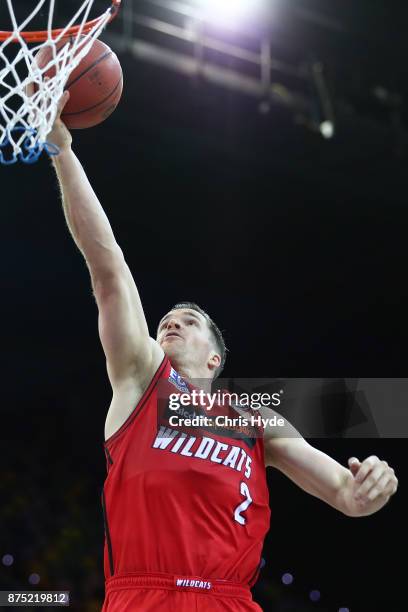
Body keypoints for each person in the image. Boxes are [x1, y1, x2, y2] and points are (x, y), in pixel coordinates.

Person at [48, 93, 398, 612]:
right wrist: (63, 151)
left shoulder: (257, 420)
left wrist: (374, 486)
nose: (170, 322)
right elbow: (110, 271)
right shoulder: (142, 380)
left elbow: (346, 494)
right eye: (166, 320)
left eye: (188, 323)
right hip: (144, 596)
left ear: (215, 358)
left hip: (230, 602)